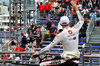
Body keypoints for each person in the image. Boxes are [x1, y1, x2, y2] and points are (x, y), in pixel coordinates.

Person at [33, 1, 84, 66]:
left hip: (67, 61)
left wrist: (37, 53)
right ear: (69, 23)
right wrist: (76, 9)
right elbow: (82, 20)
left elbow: (48, 48)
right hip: (76, 61)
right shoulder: (75, 28)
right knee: (56, 58)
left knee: (42, 64)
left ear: (60, 24)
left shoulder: (60, 35)